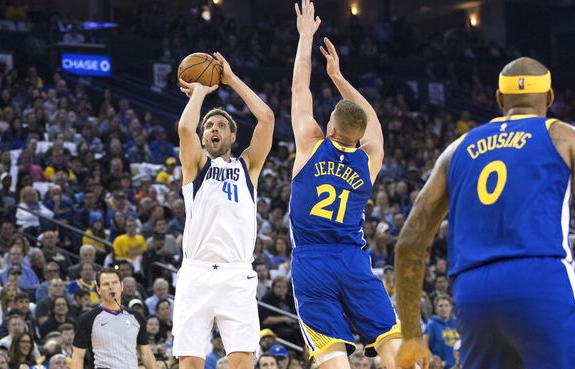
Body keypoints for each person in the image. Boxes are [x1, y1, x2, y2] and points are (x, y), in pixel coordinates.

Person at [394, 57, 575, 369]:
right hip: (540, 281)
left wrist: (411, 336)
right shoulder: (567, 138)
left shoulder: (455, 150)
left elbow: (408, 244)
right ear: (549, 97)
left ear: (498, 99)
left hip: (473, 295)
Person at [289, 1, 399, 368]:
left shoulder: (310, 142)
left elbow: (299, 89)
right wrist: (338, 77)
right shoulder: (370, 159)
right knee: (393, 349)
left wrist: (306, 37)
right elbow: (373, 123)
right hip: (353, 259)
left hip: (311, 261)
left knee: (332, 357)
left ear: (330, 128)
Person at [174, 48, 274, 369]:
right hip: (197, 271)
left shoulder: (248, 166)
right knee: (190, 361)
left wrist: (231, 80)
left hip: (237, 272)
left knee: (243, 359)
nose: (213, 129)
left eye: (220, 125)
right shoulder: (196, 166)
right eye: (209, 127)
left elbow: (267, 118)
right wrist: (200, 93)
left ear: (233, 135)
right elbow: (185, 130)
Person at [71, 268, 157, 369]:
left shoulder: (136, 317)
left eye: (115, 283)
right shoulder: (88, 318)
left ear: (121, 286)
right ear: (98, 289)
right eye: (106, 284)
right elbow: (78, 356)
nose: (111, 287)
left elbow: (145, 354)